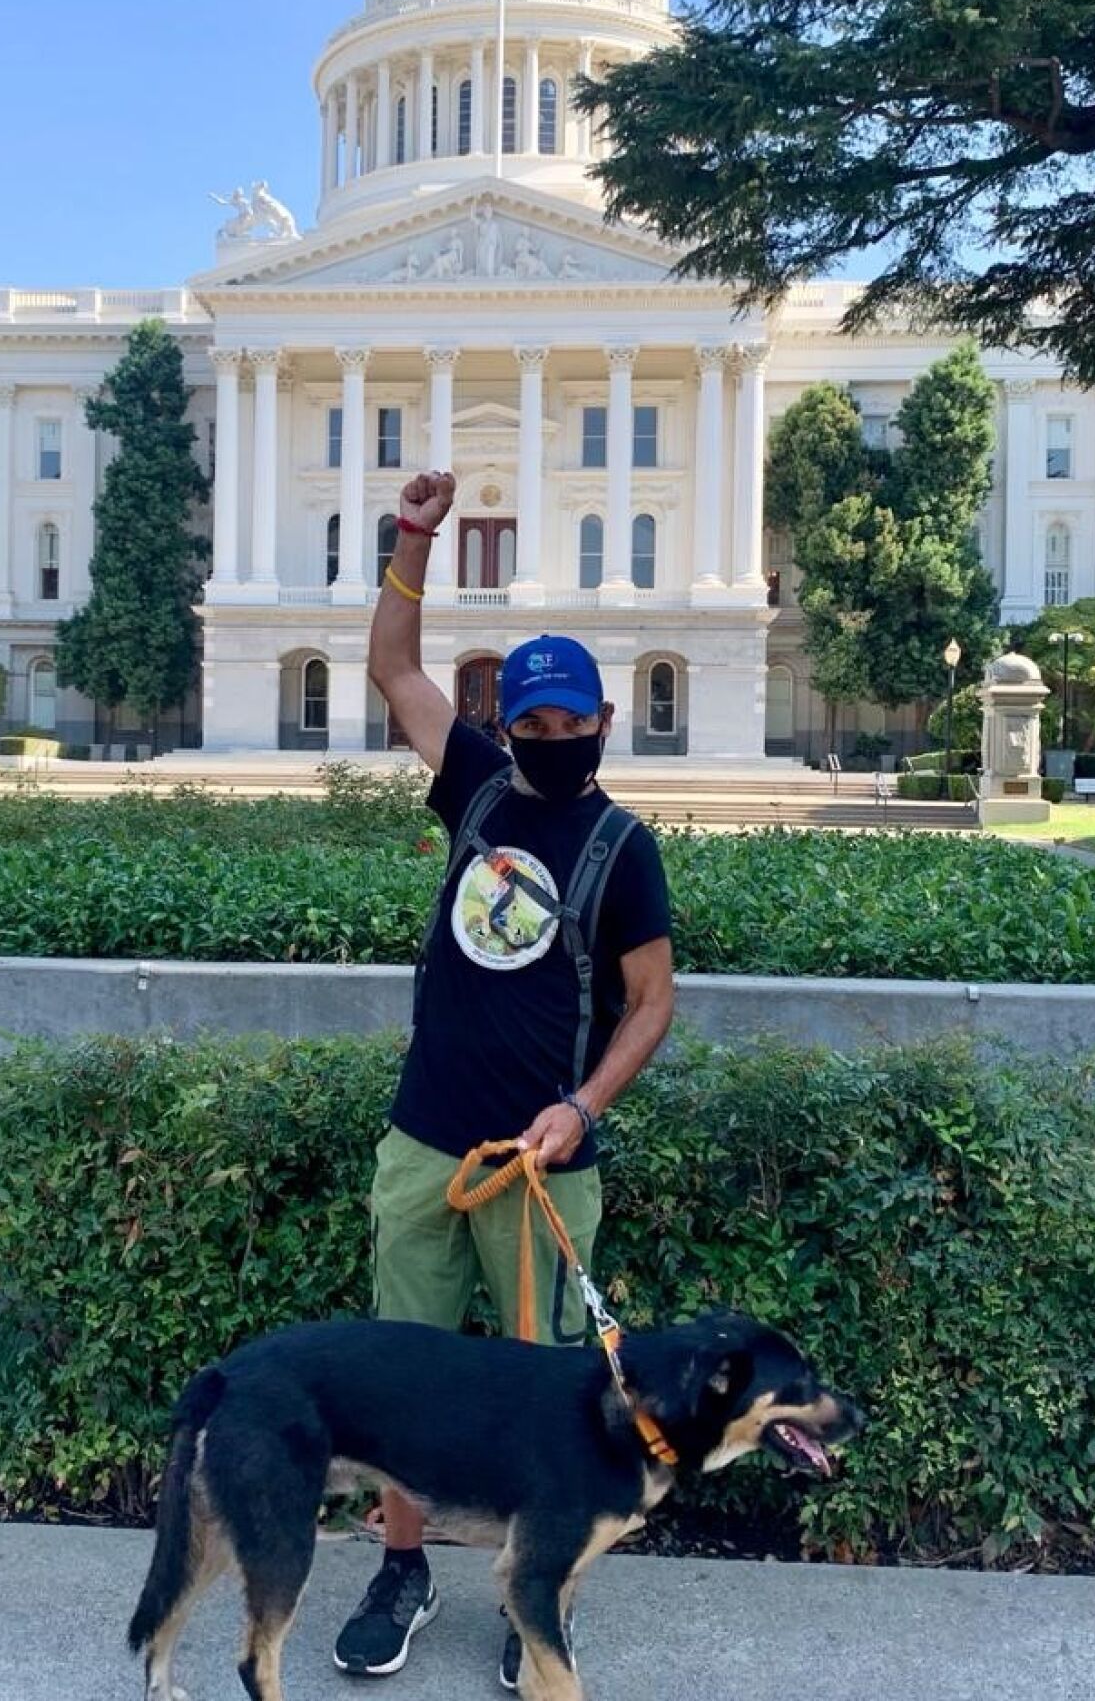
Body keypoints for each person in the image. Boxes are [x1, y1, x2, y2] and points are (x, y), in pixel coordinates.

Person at [333, 470, 675, 1688]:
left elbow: (651, 1002)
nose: (545, 741)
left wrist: (582, 1107)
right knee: (401, 1382)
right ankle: (402, 1566)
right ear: (509, 722)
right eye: (527, 723)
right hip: (429, 1141)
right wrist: (410, 542)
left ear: (599, 722)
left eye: (563, 723)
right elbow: (394, 671)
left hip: (544, 1163)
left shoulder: (624, 848)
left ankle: (538, 1601)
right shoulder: (473, 783)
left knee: (548, 1404)